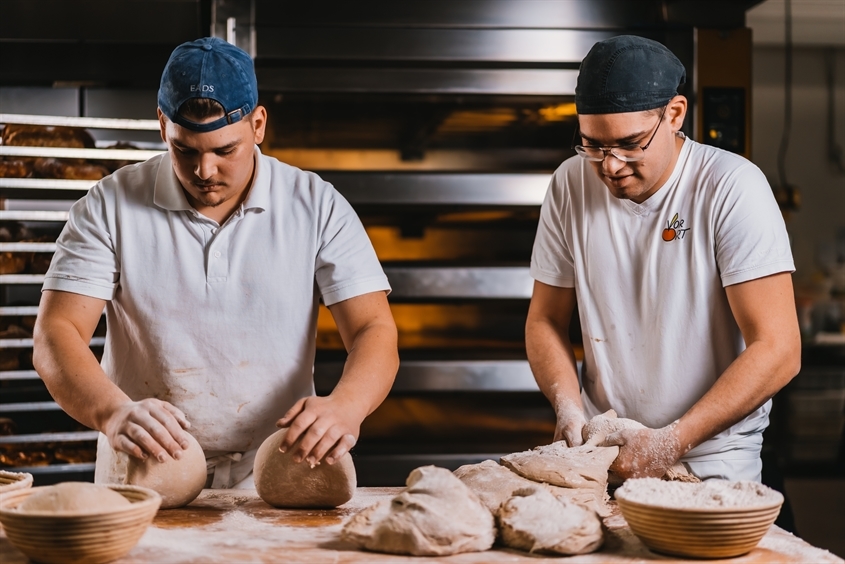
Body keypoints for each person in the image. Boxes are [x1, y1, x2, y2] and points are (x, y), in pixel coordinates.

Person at [33, 37, 399, 488]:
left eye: (225, 150)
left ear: (259, 124)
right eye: (185, 150)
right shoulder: (109, 204)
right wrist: (113, 411)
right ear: (161, 125)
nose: (204, 171)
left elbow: (373, 329)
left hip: (280, 465)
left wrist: (347, 405)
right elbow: (56, 334)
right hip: (145, 463)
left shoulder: (316, 204)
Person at [525, 35, 800, 482]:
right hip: (604, 455)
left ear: (674, 114)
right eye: (593, 144)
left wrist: (671, 440)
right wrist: (569, 407)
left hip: (712, 462)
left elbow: (780, 349)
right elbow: (545, 321)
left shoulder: (731, 187)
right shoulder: (570, 184)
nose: (609, 165)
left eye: (629, 144)